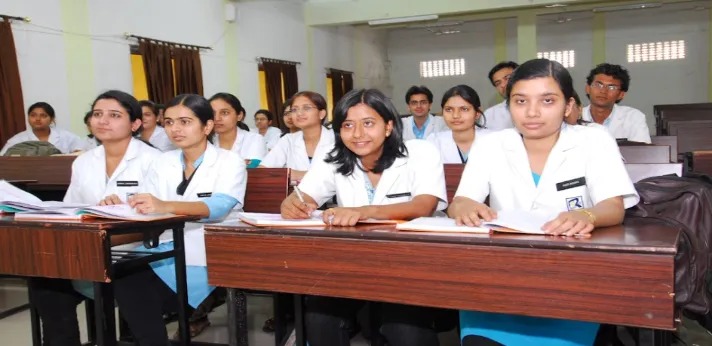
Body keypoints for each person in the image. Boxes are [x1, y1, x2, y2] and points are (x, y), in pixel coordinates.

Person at [448, 59, 639, 346]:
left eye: (547, 100)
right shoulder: (490, 144)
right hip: (498, 279)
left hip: (571, 281)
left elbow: (613, 207)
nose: (532, 112)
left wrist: (586, 215)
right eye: (520, 101)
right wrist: (463, 207)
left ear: (568, 105)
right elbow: (461, 201)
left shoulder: (594, 140)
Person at [281, 88, 450, 346]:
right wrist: (292, 203)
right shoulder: (333, 158)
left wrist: (362, 212)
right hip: (353, 262)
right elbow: (304, 197)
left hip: (409, 261)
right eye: (348, 125)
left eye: (368, 123)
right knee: (318, 318)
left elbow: (424, 205)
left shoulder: (420, 152)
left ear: (388, 126)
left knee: (402, 328)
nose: (358, 134)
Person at [27, 90, 161, 346]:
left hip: (138, 248)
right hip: (88, 248)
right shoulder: (84, 162)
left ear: (134, 124)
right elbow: (72, 208)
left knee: (131, 282)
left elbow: (160, 213)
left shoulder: (154, 160)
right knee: (45, 280)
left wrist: (122, 209)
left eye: (114, 115)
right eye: (97, 114)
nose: (102, 120)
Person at [113, 94, 247, 346]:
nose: (175, 129)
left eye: (185, 121)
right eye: (170, 122)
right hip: (164, 245)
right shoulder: (162, 161)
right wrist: (125, 204)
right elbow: (147, 202)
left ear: (207, 126)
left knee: (136, 287)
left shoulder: (229, 161)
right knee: (122, 274)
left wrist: (166, 206)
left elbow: (218, 207)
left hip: (210, 250)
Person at [260, 91, 335, 182]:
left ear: (321, 114)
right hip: (294, 195)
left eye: (306, 108)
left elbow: (341, 175)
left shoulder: (337, 139)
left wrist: (296, 174)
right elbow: (262, 171)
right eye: (294, 110)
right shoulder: (288, 140)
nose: (299, 113)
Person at [581, 63, 651, 143]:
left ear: (621, 94)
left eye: (612, 87)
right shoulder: (574, 116)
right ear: (588, 88)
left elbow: (642, 152)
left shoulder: (633, 117)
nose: (603, 91)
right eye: (598, 85)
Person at [426, 85, 491, 164]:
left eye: (464, 109)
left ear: (477, 113)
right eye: (449, 110)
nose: (455, 115)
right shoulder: (434, 142)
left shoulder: (494, 141)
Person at [1, 102, 88, 155]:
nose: (37, 119)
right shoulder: (17, 140)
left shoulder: (66, 136)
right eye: (33, 115)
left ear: (52, 119)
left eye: (43, 116)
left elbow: (83, 151)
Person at [209, 92, 267, 167]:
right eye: (212, 113)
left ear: (239, 115)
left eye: (224, 113)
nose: (217, 118)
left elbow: (252, 171)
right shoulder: (206, 142)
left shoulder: (254, 139)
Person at [483, 61, 518, 131]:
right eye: (498, 83)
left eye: (507, 78)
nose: (503, 85)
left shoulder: (542, 106)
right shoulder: (489, 115)